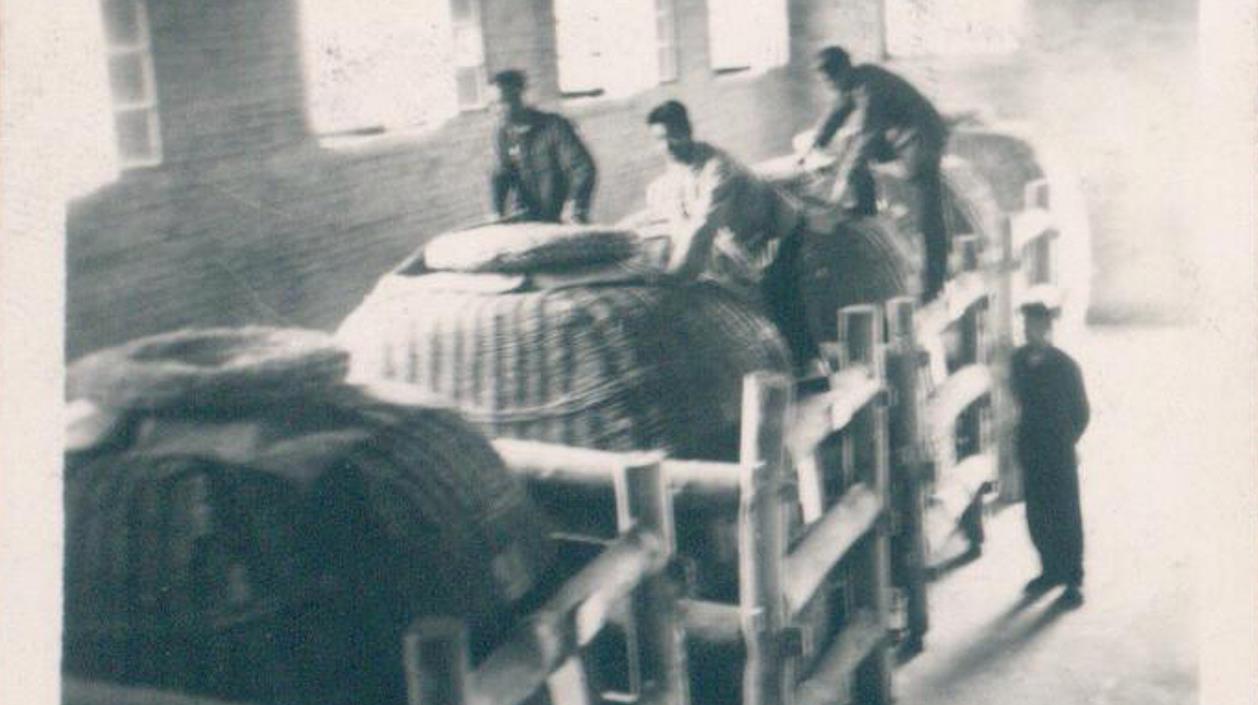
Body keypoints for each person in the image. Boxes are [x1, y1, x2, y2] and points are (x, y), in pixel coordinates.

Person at [640, 100, 816, 365]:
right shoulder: (677, 166)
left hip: (779, 229)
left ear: (688, 131)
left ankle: (808, 366)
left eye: (672, 136)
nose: (667, 146)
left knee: (778, 293)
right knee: (735, 289)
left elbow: (702, 227)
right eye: (659, 139)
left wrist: (675, 276)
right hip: (744, 235)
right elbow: (680, 218)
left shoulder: (719, 168)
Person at [803, 46, 951, 302]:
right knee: (850, 143)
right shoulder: (853, 82)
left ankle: (933, 284)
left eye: (830, 81)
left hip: (922, 137)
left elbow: (867, 136)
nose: (829, 87)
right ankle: (866, 204)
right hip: (899, 135)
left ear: (842, 71)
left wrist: (841, 184)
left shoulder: (871, 87)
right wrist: (814, 146)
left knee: (927, 213)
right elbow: (837, 112)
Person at [1010, 294, 1090, 608]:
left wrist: (1065, 440)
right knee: (1037, 513)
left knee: (1066, 514)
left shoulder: (1065, 366)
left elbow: (1082, 413)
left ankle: (1073, 580)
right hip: (1031, 447)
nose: (1029, 331)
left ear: (1047, 328)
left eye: (1035, 325)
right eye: (1026, 325)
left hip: (1058, 451)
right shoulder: (1018, 361)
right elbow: (1018, 398)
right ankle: (1050, 570)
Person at [489, 69, 597, 223]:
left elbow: (583, 168)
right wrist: (496, 211)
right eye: (491, 105)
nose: (495, 111)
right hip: (529, 221)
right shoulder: (502, 135)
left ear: (518, 97)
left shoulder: (555, 126)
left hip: (564, 218)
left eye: (500, 102)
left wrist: (575, 204)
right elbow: (501, 174)